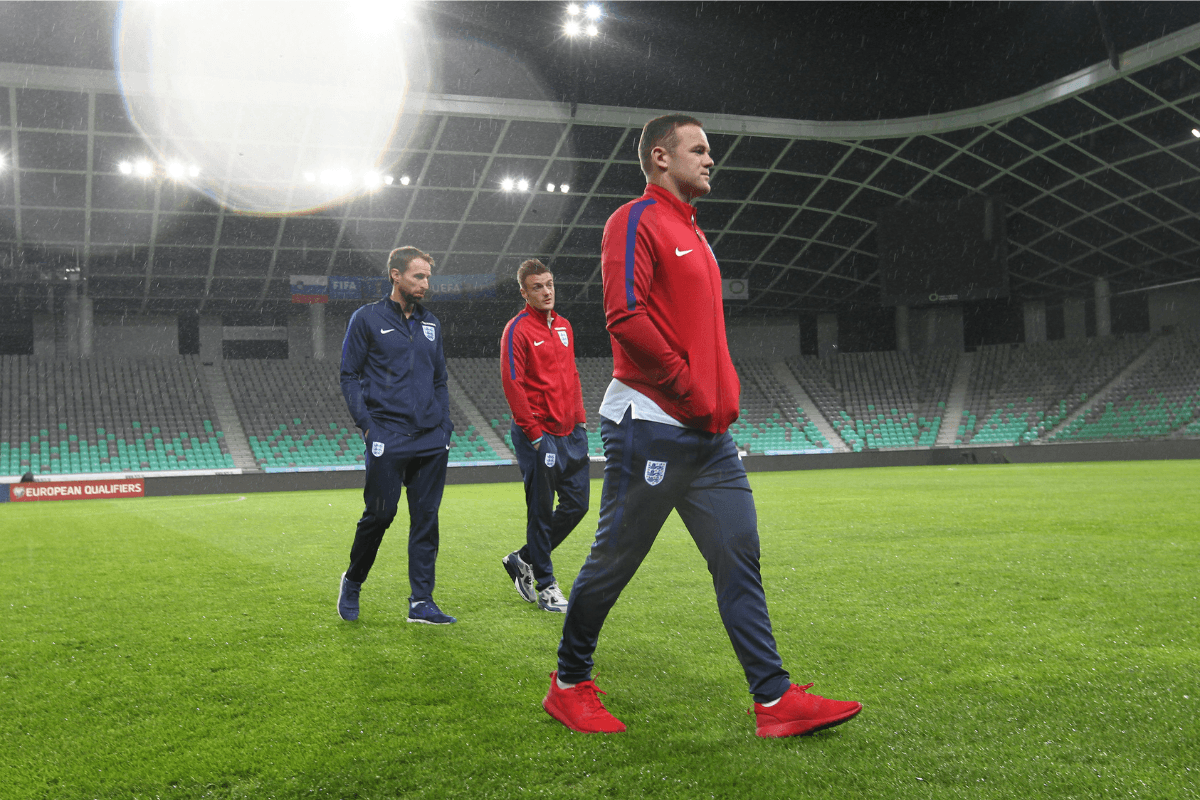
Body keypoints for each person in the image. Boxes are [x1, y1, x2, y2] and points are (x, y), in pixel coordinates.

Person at [542, 114, 863, 737]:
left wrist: (724, 390)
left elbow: (700, 331)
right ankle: (568, 684)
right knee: (615, 560)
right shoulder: (633, 219)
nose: (711, 159)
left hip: (710, 439)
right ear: (661, 157)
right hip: (652, 424)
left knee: (739, 554)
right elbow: (625, 317)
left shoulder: (695, 232)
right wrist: (689, 386)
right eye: (700, 149)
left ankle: (772, 700)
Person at [337, 246, 456, 625]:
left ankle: (421, 601)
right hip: (387, 434)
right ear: (395, 275)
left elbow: (439, 379)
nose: (425, 284)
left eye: (427, 277)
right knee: (380, 514)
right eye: (418, 276)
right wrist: (368, 426)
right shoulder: (366, 319)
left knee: (426, 519)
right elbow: (349, 375)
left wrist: (445, 426)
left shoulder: (432, 324)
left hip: (431, 439)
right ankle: (353, 581)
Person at [499, 259, 590, 614]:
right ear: (524, 292)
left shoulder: (564, 326)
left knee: (577, 505)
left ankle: (523, 558)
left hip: (571, 433)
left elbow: (573, 376)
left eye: (550, 284)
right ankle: (547, 585)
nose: (546, 291)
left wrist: (581, 422)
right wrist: (536, 435)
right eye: (537, 287)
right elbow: (512, 382)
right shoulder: (517, 329)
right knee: (540, 510)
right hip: (538, 435)